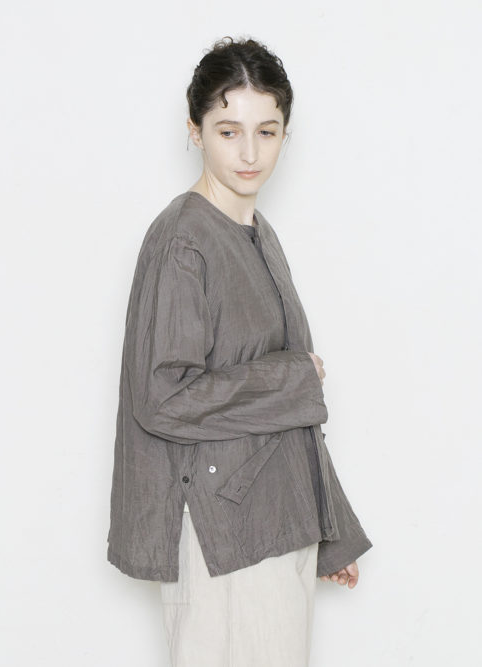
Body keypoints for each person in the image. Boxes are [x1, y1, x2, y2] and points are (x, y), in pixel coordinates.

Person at [107, 36, 373, 666]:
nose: (250, 153)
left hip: (277, 522)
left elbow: (289, 410)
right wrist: (293, 378)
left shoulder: (258, 233)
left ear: (285, 134)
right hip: (221, 534)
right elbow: (163, 398)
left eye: (267, 131)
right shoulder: (183, 239)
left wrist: (330, 531)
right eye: (229, 131)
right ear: (195, 131)